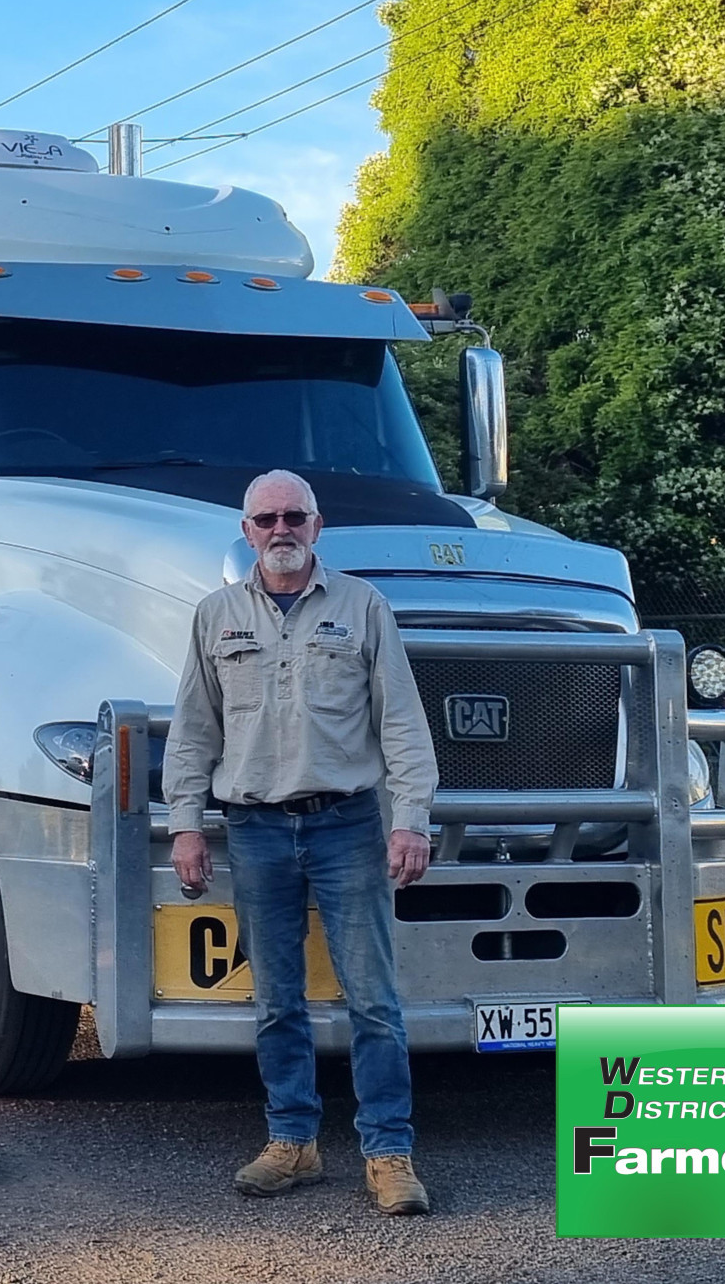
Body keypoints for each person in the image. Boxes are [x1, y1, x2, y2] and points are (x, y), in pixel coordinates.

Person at [162, 469, 439, 1216]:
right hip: (254, 828)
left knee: (375, 1001)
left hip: (349, 823)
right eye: (265, 519)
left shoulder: (363, 607)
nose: (280, 529)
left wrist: (409, 817)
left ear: (317, 526)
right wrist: (186, 823)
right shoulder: (215, 615)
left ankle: (388, 1153)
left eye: (294, 516)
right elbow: (193, 729)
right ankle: (294, 1141)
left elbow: (403, 722)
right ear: (246, 530)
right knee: (276, 1000)